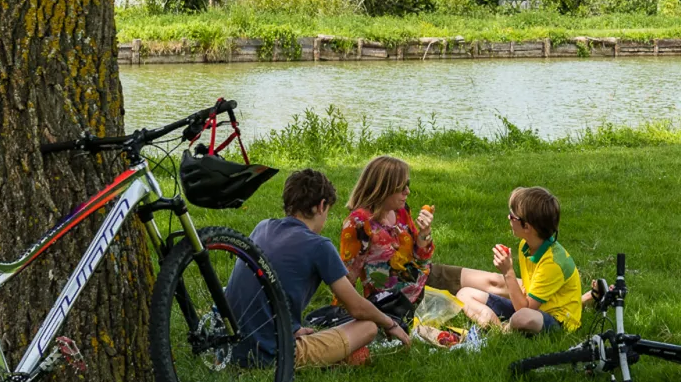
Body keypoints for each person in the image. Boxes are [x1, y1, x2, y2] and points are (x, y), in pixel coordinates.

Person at [226, 168, 411, 368]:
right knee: (368, 327)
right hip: (268, 354)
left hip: (229, 343)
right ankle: (324, 359)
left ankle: (292, 332)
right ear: (321, 206)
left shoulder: (263, 226)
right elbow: (356, 307)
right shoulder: (319, 245)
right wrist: (390, 323)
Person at [340, 155, 510, 306]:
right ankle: (526, 313)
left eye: (408, 184)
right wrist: (339, 315)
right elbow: (347, 277)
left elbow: (421, 256)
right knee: (481, 293)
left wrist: (424, 233)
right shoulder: (358, 223)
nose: (408, 191)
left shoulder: (400, 210)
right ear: (383, 188)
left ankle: (535, 299)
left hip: (426, 275)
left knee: (493, 281)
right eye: (402, 187)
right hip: (399, 298)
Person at [456, 186, 582, 333]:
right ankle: (498, 330)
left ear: (527, 227)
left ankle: (503, 330)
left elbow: (524, 310)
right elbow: (525, 300)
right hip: (530, 307)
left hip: (557, 320)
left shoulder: (553, 263)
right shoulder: (526, 245)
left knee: (522, 317)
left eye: (512, 216)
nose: (508, 217)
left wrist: (508, 271)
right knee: (464, 294)